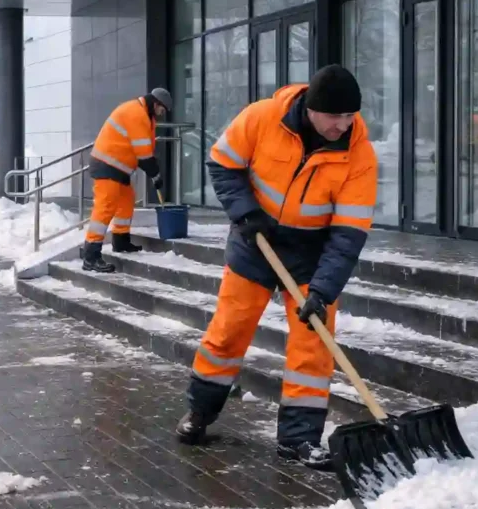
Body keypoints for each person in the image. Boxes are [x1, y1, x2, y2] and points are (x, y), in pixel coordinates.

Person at [174, 64, 377, 470]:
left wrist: (322, 290)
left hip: (312, 254)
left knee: (313, 344)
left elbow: (349, 235)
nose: (342, 125)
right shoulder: (262, 117)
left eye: (349, 117)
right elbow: (222, 164)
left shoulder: (360, 156)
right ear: (312, 109)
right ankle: (200, 411)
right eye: (334, 117)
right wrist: (245, 213)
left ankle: (298, 441)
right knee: (229, 331)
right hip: (256, 240)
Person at [82, 88, 172, 273]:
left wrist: (154, 171)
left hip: (118, 166)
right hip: (107, 164)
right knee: (105, 207)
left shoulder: (144, 114)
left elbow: (144, 149)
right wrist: (155, 175)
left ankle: (121, 241)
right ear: (156, 104)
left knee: (126, 200)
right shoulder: (136, 114)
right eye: (162, 110)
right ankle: (91, 256)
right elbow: (144, 154)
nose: (162, 114)